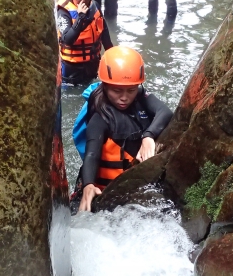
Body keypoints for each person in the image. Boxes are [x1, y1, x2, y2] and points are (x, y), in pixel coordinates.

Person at [69, 46, 173, 213]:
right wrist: (88, 185)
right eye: (117, 90)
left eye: (130, 90)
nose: (124, 97)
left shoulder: (141, 96)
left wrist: (148, 136)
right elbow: (92, 153)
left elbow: (165, 112)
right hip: (107, 190)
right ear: (105, 85)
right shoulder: (99, 117)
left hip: (132, 186)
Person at [57, 0, 114, 85]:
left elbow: (104, 32)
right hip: (71, 69)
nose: (83, 0)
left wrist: (111, 53)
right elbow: (67, 40)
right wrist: (80, 18)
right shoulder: (63, 12)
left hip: (92, 63)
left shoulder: (95, 6)